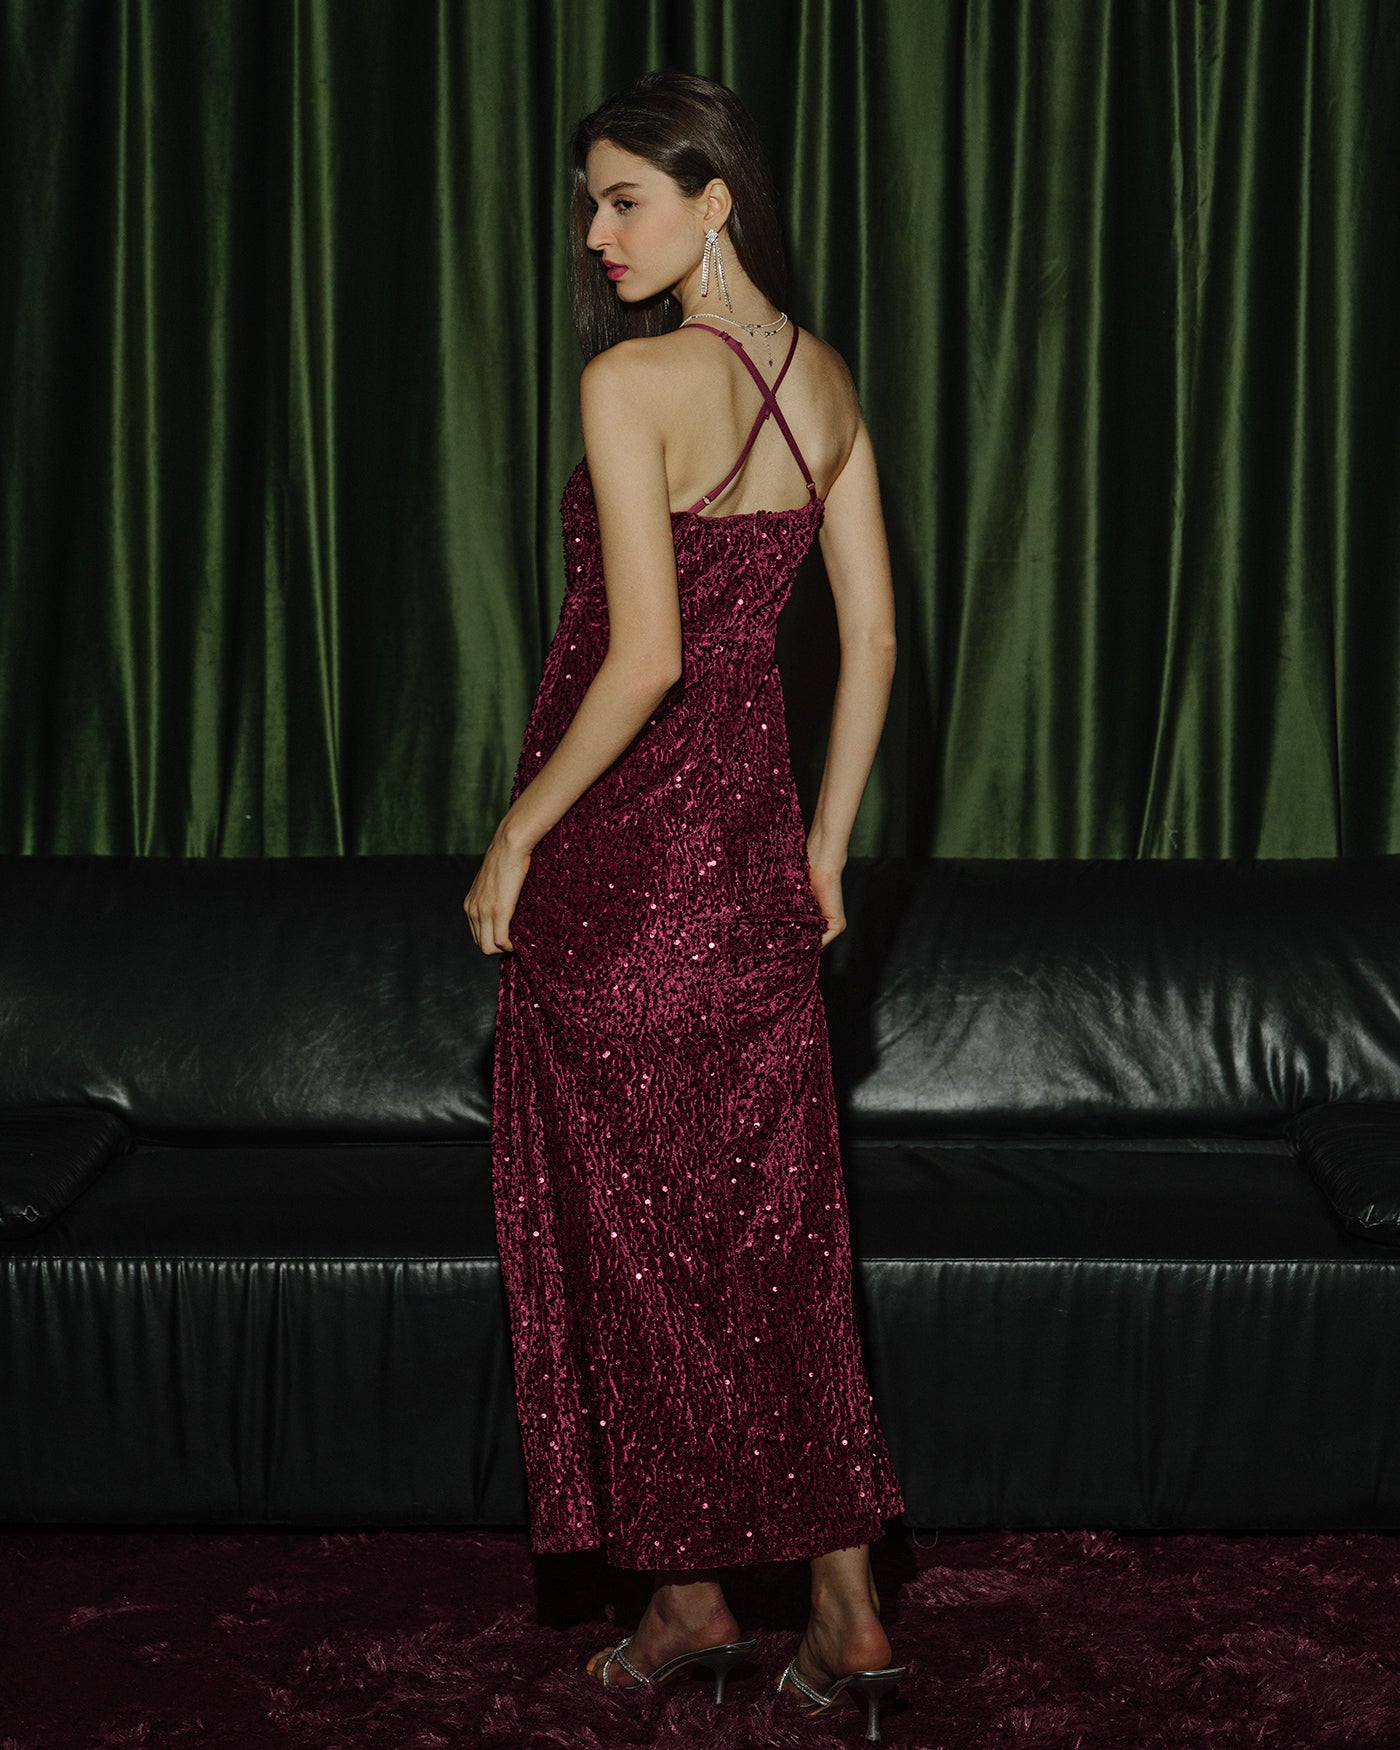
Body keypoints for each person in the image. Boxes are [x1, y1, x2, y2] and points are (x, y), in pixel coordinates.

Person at [463, 69, 907, 1739]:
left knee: (633, 1243)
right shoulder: (827, 382)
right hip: (756, 869)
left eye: (624, 198)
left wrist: (518, 835)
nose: (597, 233)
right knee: (775, 1237)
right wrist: (827, 849)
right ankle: (840, 1606)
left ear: (716, 199)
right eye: (589, 204)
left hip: (626, 866)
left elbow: (642, 653)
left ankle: (690, 1596)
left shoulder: (632, 381)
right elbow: (871, 640)